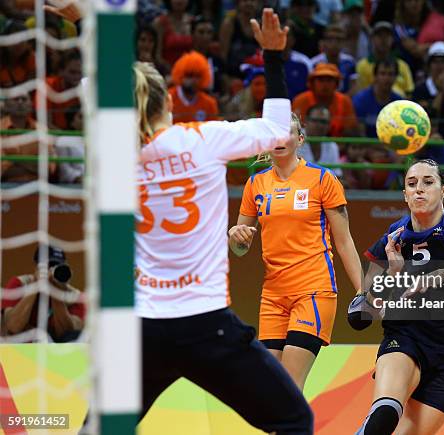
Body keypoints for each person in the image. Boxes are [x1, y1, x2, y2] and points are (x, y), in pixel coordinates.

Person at [134, 10, 313, 433]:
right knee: (293, 419)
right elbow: (278, 131)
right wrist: (272, 56)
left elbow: (96, 87)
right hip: (205, 324)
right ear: (170, 102)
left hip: (141, 328)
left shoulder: (111, 151)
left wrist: (86, 25)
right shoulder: (202, 140)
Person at [348, 159, 444, 435]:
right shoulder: (394, 238)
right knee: (384, 415)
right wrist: (392, 272)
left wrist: (433, 276)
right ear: (404, 195)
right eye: (412, 184)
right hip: (406, 336)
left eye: (428, 182)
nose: (419, 190)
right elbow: (362, 314)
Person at [229, 114, 363, 391]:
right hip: (273, 297)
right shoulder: (255, 184)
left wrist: (363, 291)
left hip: (313, 290)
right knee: (271, 390)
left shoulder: (323, 179)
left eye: (287, 132)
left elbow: (345, 241)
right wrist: (234, 236)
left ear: (300, 139)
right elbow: (240, 249)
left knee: (289, 386)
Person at [1, 246, 85, 342]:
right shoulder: (20, 284)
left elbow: (67, 332)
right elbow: (13, 326)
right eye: (48, 265)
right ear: (36, 266)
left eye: (57, 266)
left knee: (75, 336)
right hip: (22, 349)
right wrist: (36, 286)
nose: (51, 270)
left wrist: (55, 291)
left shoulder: (74, 296)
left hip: (57, 351)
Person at [292, 62, 358, 136]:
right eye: (321, 80)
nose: (325, 84)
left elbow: (351, 131)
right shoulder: (300, 100)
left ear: (337, 84)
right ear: (312, 83)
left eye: (329, 80)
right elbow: (294, 131)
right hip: (306, 145)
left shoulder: (345, 101)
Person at [355, 22, 415, 99]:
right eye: (379, 36)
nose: (383, 40)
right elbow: (359, 92)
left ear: (392, 39)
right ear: (372, 38)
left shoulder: (403, 65)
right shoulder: (362, 65)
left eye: (387, 36)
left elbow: (409, 92)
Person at [352, 58, 403, 138]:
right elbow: (361, 135)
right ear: (375, 76)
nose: (386, 78)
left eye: (390, 74)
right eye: (383, 74)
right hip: (367, 148)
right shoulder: (360, 100)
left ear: (395, 77)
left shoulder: (400, 103)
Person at [168, 51, 219, 123]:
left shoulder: (209, 104)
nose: (194, 80)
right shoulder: (167, 99)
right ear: (180, 75)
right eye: (189, 75)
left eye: (198, 76)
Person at [298, 104, 342, 176]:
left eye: (324, 122)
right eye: (315, 121)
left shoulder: (332, 146)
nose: (320, 125)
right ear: (306, 121)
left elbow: (337, 175)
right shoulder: (294, 141)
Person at [311, 24, 356, 93]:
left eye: (339, 39)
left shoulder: (350, 61)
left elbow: (354, 87)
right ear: (324, 42)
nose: (334, 43)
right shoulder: (314, 63)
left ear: (344, 43)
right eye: (330, 39)